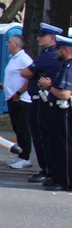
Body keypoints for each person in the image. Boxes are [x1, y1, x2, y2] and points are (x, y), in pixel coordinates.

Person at [21, 23, 63, 183]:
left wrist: (33, 74)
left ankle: (47, 169)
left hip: (42, 101)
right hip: (42, 100)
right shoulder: (48, 54)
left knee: (42, 137)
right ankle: (49, 169)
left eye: (42, 35)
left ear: (52, 38)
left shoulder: (48, 56)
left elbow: (25, 72)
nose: (38, 38)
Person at [39, 33, 72, 190]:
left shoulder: (69, 66)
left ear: (65, 50)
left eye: (58, 49)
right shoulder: (65, 66)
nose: (56, 52)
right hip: (57, 110)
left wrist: (48, 87)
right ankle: (58, 176)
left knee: (63, 147)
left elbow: (65, 94)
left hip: (64, 111)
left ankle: (65, 181)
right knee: (56, 146)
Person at [0, 35, 33, 169]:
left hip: (21, 99)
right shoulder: (14, 59)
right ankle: (20, 156)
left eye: (10, 42)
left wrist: (19, 93)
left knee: (23, 129)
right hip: (12, 98)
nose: (8, 44)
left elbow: (31, 77)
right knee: (17, 128)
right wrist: (4, 85)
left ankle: (25, 157)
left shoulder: (24, 59)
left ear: (17, 45)